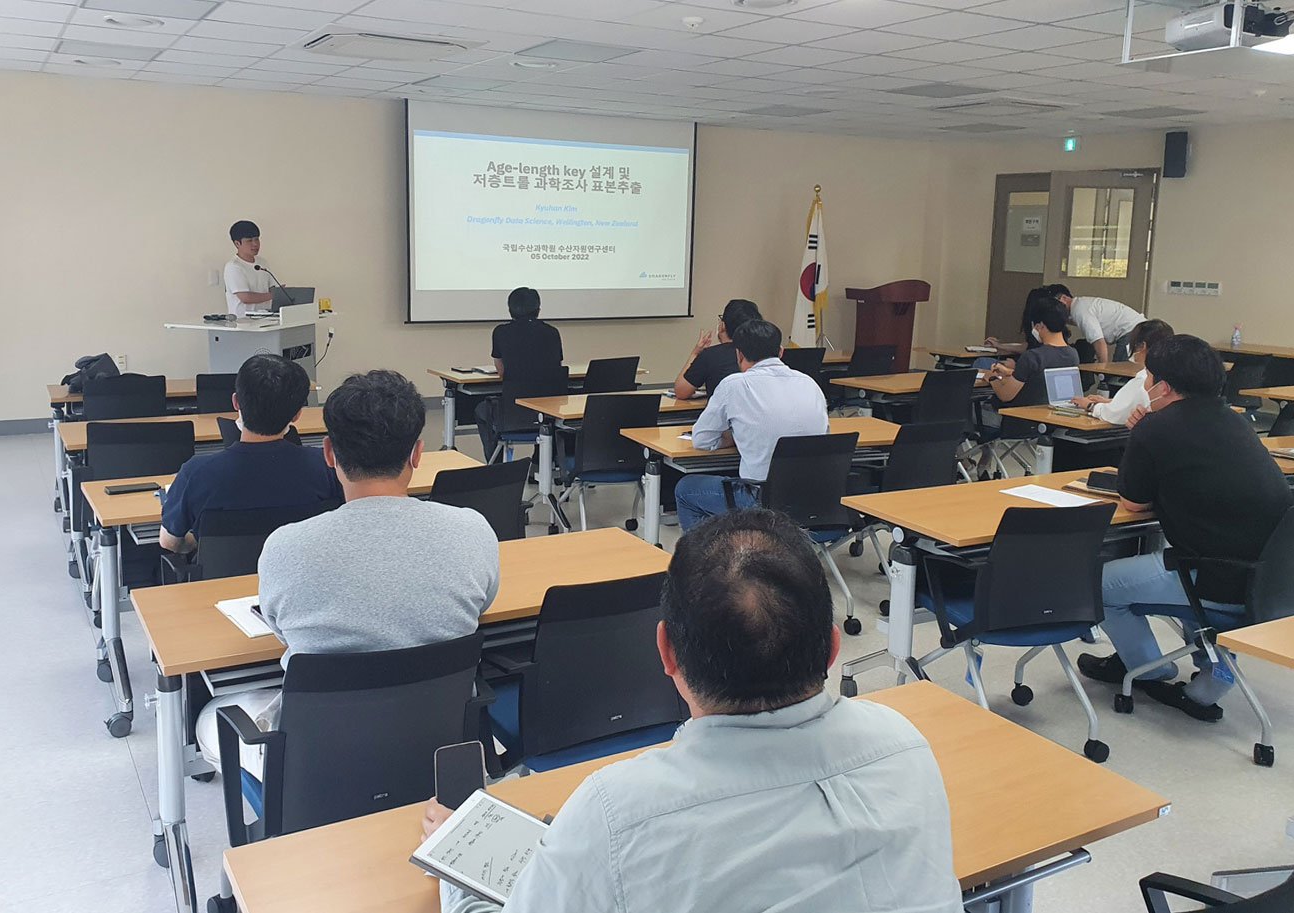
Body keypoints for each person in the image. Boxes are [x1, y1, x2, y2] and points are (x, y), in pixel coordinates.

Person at [425, 509, 964, 913]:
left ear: (666, 653)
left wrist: (457, 865)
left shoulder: (616, 813)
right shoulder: (904, 746)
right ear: (831, 649)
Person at [193, 369, 500, 766]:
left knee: (211, 716)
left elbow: (283, 632)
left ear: (329, 454)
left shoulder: (285, 547)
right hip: (439, 752)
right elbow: (482, 607)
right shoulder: (473, 530)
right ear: (417, 454)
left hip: (317, 767)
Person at [1078, 335, 1291, 721]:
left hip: (1213, 579)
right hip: (1272, 581)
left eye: (1148, 377)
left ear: (1162, 387)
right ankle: (1210, 679)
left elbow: (1133, 502)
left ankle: (1147, 669)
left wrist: (1141, 434)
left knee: (1098, 584)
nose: (1145, 384)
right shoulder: (1236, 421)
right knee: (1182, 559)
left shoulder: (1156, 428)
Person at [160, 354, 341, 555]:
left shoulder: (196, 473)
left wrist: (201, 540)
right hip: (304, 572)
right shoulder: (328, 466)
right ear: (298, 414)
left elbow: (170, 542)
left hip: (225, 575)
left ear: (236, 402)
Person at [674, 319, 828, 530]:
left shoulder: (734, 385)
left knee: (686, 489)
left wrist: (732, 438)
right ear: (781, 351)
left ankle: (712, 551)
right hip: (816, 499)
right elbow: (823, 436)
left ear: (738, 354)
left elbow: (701, 440)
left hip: (761, 502)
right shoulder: (809, 383)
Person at [474, 287, 563, 461]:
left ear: (510, 310)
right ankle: (540, 461)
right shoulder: (552, 332)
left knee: (481, 410)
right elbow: (556, 369)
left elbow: (502, 372)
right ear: (538, 309)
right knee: (541, 411)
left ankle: (497, 465)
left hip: (513, 413)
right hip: (550, 411)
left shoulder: (501, 332)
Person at [1070, 319, 1173, 425]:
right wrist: (1110, 402)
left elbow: (1115, 414)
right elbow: (1135, 403)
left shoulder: (1145, 378)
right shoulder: (1168, 372)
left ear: (1142, 346)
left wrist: (1090, 405)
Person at [986, 293, 1079, 407]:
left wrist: (991, 377)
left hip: (1021, 415)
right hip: (1054, 414)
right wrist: (1009, 372)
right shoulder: (1073, 354)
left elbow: (1005, 395)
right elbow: (1039, 380)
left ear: (1040, 325)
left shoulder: (1033, 357)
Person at [672, 298, 762, 399]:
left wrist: (695, 353)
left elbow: (681, 391)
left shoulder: (710, 355)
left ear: (723, 325)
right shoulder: (763, 354)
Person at [1047, 283, 1144, 364]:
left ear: (1064, 298)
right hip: (1139, 328)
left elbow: (1099, 342)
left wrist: (1103, 371)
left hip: (1132, 331)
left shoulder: (1079, 311)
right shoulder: (1081, 305)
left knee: (1120, 374)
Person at [223, 220, 273, 319]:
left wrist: (282, 293)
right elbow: (246, 297)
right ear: (237, 243)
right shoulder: (233, 266)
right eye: (249, 241)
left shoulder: (263, 262)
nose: (255, 244)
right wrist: (274, 295)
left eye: (257, 239)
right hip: (242, 322)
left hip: (266, 319)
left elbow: (272, 288)